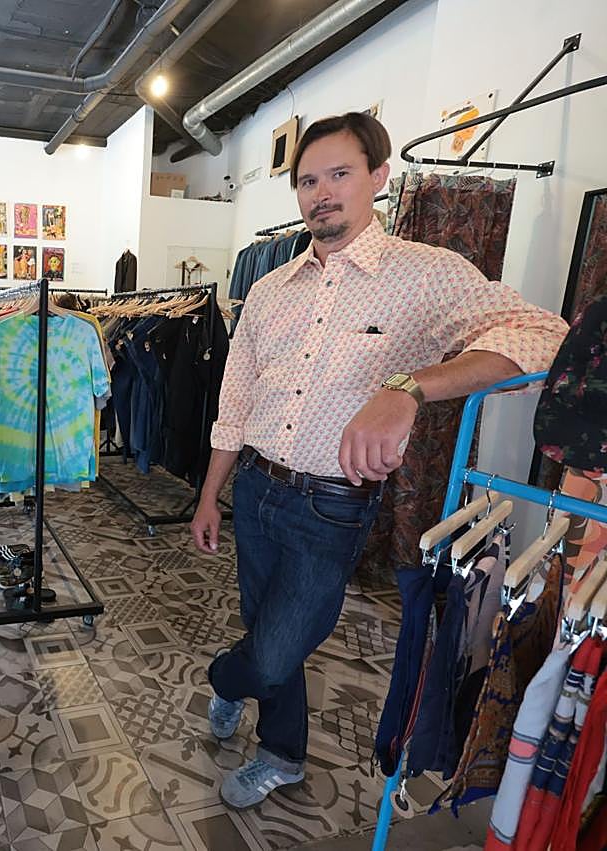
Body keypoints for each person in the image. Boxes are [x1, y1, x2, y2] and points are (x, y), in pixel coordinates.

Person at [189, 113, 568, 808]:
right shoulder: (271, 290)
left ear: (379, 179)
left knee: (270, 651)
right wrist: (210, 494)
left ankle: (226, 679)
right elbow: (234, 401)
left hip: (330, 505)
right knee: (273, 637)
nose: (321, 192)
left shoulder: (423, 276)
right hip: (256, 489)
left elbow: (543, 333)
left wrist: (412, 385)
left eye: (339, 174)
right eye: (308, 180)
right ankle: (282, 753)